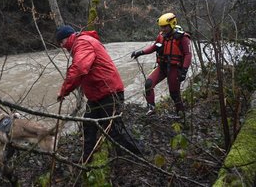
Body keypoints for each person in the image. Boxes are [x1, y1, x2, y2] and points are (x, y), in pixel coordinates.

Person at [55, 25, 142, 163]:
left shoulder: (82, 43)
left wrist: (64, 91)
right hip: (97, 95)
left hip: (109, 92)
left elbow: (79, 69)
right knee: (89, 125)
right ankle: (87, 159)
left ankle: (140, 155)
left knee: (114, 130)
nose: (61, 46)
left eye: (61, 42)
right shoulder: (82, 42)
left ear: (67, 38)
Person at [130, 13, 192, 118]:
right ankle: (151, 109)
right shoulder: (161, 36)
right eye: (161, 27)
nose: (163, 29)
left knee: (174, 93)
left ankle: (181, 115)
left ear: (172, 24)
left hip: (174, 68)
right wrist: (140, 52)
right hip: (162, 67)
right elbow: (154, 47)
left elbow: (188, 54)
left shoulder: (182, 37)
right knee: (148, 84)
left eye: (165, 27)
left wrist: (184, 71)